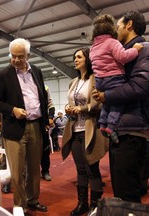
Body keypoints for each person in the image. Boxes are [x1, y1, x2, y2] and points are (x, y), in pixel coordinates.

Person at [92, 10, 149, 203]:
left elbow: (139, 87)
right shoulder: (123, 50)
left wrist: (106, 96)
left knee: (128, 192)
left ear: (129, 24)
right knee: (122, 189)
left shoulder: (144, 49)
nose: (115, 29)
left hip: (133, 129)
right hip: (123, 128)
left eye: (118, 25)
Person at [0, 38, 48, 215]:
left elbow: (42, 98)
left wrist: (46, 121)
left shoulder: (37, 72)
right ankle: (20, 205)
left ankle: (33, 200)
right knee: (17, 172)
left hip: (35, 126)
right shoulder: (2, 75)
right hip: (14, 128)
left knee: (33, 169)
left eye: (20, 56)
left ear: (28, 55)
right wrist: (13, 110)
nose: (16, 60)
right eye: (13, 56)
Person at [62, 48, 109, 216]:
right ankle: (82, 203)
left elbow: (99, 104)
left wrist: (81, 108)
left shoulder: (96, 79)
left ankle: (96, 206)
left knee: (92, 169)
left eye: (79, 57)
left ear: (88, 59)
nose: (75, 60)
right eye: (74, 57)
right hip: (75, 130)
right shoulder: (73, 82)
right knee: (80, 170)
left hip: (91, 129)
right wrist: (67, 108)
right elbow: (70, 104)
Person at [90, 14, 143, 143]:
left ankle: (102, 123)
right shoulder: (112, 42)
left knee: (106, 102)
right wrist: (135, 50)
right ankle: (111, 127)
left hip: (99, 80)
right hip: (113, 78)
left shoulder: (93, 47)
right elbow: (123, 57)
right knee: (117, 101)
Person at [41, 85, 55, 181]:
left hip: (43, 123)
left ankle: (45, 171)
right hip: (27, 122)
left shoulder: (45, 87)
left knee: (45, 149)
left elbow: (51, 104)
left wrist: (50, 117)